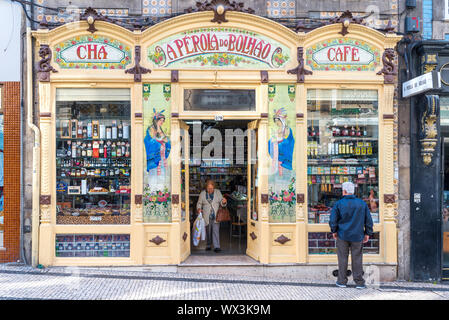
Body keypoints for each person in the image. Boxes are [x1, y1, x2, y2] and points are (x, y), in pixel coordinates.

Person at [329, 181, 373, 289]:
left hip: (342, 235)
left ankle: (342, 281)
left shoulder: (338, 204)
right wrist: (368, 233)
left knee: (342, 258)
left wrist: (334, 231)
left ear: (344, 191)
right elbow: (368, 220)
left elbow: (333, 220)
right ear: (353, 191)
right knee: (357, 258)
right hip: (357, 235)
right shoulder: (362, 204)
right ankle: (359, 282)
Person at [196, 179, 227, 252]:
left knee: (216, 231)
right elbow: (199, 203)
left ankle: (217, 246)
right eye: (208, 188)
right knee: (207, 231)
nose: (210, 190)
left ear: (214, 187)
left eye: (211, 188)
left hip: (216, 215)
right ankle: (208, 245)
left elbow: (222, 202)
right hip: (206, 216)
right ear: (206, 187)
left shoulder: (217, 192)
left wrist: (224, 202)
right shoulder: (202, 194)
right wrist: (199, 209)